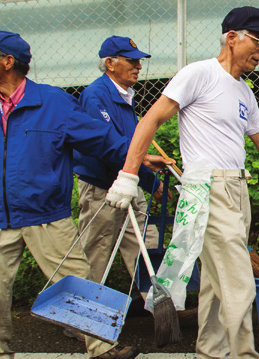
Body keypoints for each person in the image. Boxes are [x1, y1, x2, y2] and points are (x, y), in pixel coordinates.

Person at [106, 6, 259, 359]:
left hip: (236, 188)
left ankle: (211, 351)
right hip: (207, 188)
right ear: (231, 38)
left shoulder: (244, 92)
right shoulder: (199, 74)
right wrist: (128, 175)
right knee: (238, 280)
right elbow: (150, 121)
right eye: (258, 40)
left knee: (217, 285)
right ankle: (245, 354)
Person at [0, 30, 168, 359]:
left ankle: (102, 348)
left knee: (78, 282)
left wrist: (136, 157)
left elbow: (99, 137)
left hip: (46, 216)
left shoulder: (53, 102)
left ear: (7, 62)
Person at [73, 36, 170, 299]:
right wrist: (151, 182)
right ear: (109, 63)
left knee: (147, 246)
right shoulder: (96, 96)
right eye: (131, 60)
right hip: (102, 187)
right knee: (96, 253)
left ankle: (163, 307)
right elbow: (110, 148)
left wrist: (148, 182)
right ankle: (80, 318)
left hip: (128, 183)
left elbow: (130, 148)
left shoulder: (124, 96)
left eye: (139, 60)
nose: (138, 66)